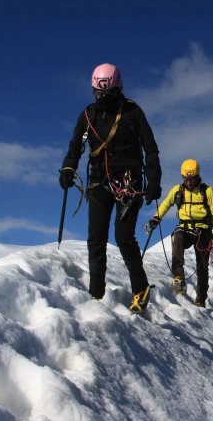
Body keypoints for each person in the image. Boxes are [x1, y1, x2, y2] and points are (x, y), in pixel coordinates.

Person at [59, 63, 161, 314]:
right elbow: (75, 147)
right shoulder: (88, 115)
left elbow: (150, 149)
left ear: (117, 88)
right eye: (98, 94)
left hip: (130, 184)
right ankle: (96, 295)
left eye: (106, 93)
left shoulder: (132, 112)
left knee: (123, 237)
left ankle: (140, 289)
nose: (102, 98)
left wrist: (153, 180)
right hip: (99, 183)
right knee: (96, 239)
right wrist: (68, 168)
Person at [146, 159, 213, 308]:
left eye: (191, 178)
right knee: (178, 237)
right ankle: (179, 278)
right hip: (185, 228)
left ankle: (201, 298)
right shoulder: (177, 190)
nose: (188, 181)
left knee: (202, 266)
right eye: (185, 178)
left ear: (197, 176)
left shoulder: (207, 191)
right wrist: (156, 218)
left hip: (203, 230)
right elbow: (166, 204)